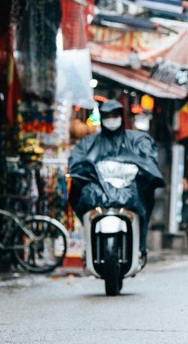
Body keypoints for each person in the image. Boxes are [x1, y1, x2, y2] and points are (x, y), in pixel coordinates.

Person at [68, 99, 165, 257]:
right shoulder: (88, 142)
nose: (111, 120)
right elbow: (77, 160)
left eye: (114, 115)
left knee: (145, 198)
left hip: (129, 188)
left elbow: (148, 157)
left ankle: (140, 246)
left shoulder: (137, 140)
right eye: (107, 116)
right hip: (97, 190)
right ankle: (88, 245)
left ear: (121, 117)